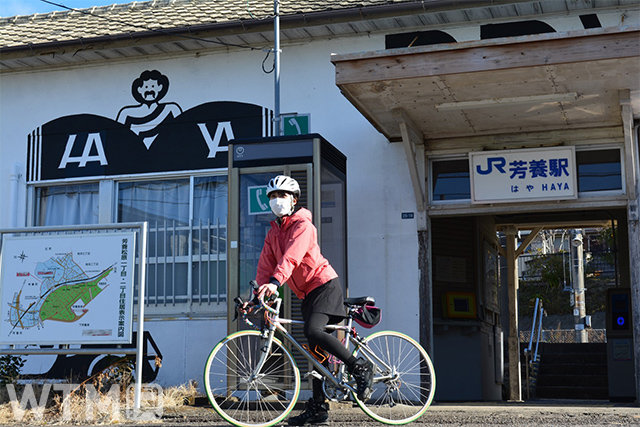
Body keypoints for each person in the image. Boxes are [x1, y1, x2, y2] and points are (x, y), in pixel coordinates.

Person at [254, 175, 373, 426]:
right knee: (314, 353)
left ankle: (358, 366)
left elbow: (292, 257)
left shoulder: (303, 226)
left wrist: (276, 283)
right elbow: (265, 266)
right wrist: (256, 297)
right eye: (273, 197)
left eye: (282, 195)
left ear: (294, 199)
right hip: (306, 294)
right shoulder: (273, 233)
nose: (277, 201)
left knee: (312, 330)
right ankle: (318, 408)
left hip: (324, 286)